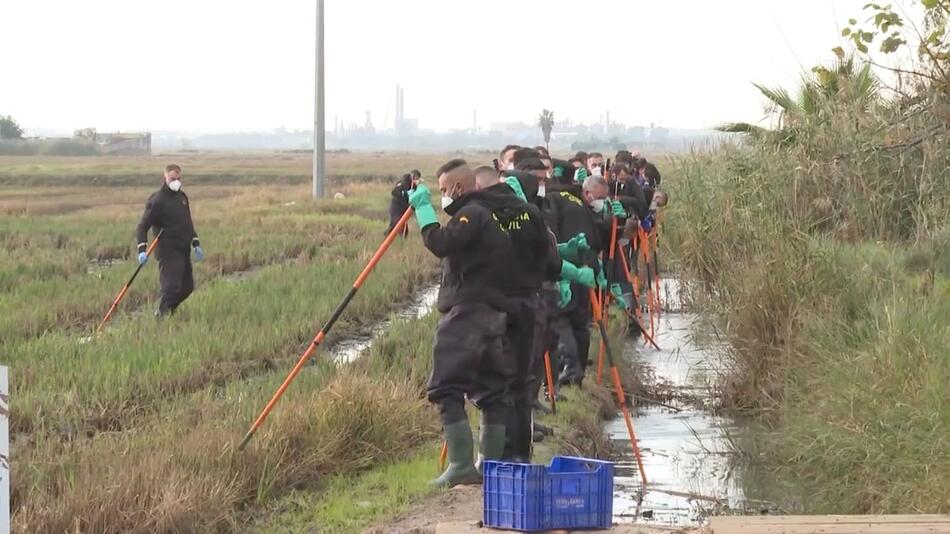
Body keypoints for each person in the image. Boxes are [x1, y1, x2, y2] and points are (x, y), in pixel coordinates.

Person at [409, 158, 538, 487]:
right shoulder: (492, 216)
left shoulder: (474, 212)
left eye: (442, 191)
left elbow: (441, 244)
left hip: (470, 311)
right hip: (495, 314)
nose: (442, 197)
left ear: (458, 187)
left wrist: (423, 211)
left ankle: (462, 464)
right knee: (491, 388)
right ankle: (488, 466)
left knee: (445, 385)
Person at [542, 174, 616, 386]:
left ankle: (571, 370)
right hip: (579, 267)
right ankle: (577, 371)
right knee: (578, 322)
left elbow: (551, 235)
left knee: (563, 319)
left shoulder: (557, 200)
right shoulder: (567, 201)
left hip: (570, 268)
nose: (600, 202)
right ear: (586, 192)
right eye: (599, 197)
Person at [135, 164, 204, 316]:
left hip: (183, 248)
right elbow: (142, 227)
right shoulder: (157, 201)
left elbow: (188, 222)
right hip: (168, 251)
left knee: (187, 288)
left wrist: (196, 243)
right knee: (171, 287)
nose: (176, 182)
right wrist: (142, 249)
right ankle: (161, 315)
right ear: (165, 178)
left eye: (179, 179)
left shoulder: (182, 198)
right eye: (173, 179)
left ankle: (168, 311)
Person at [386, 170, 419, 237]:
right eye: (415, 177)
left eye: (417, 178)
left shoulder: (415, 186)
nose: (416, 179)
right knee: (401, 225)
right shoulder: (403, 182)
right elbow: (394, 192)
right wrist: (405, 193)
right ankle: (401, 240)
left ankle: (386, 237)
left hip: (404, 209)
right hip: (396, 208)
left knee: (393, 226)